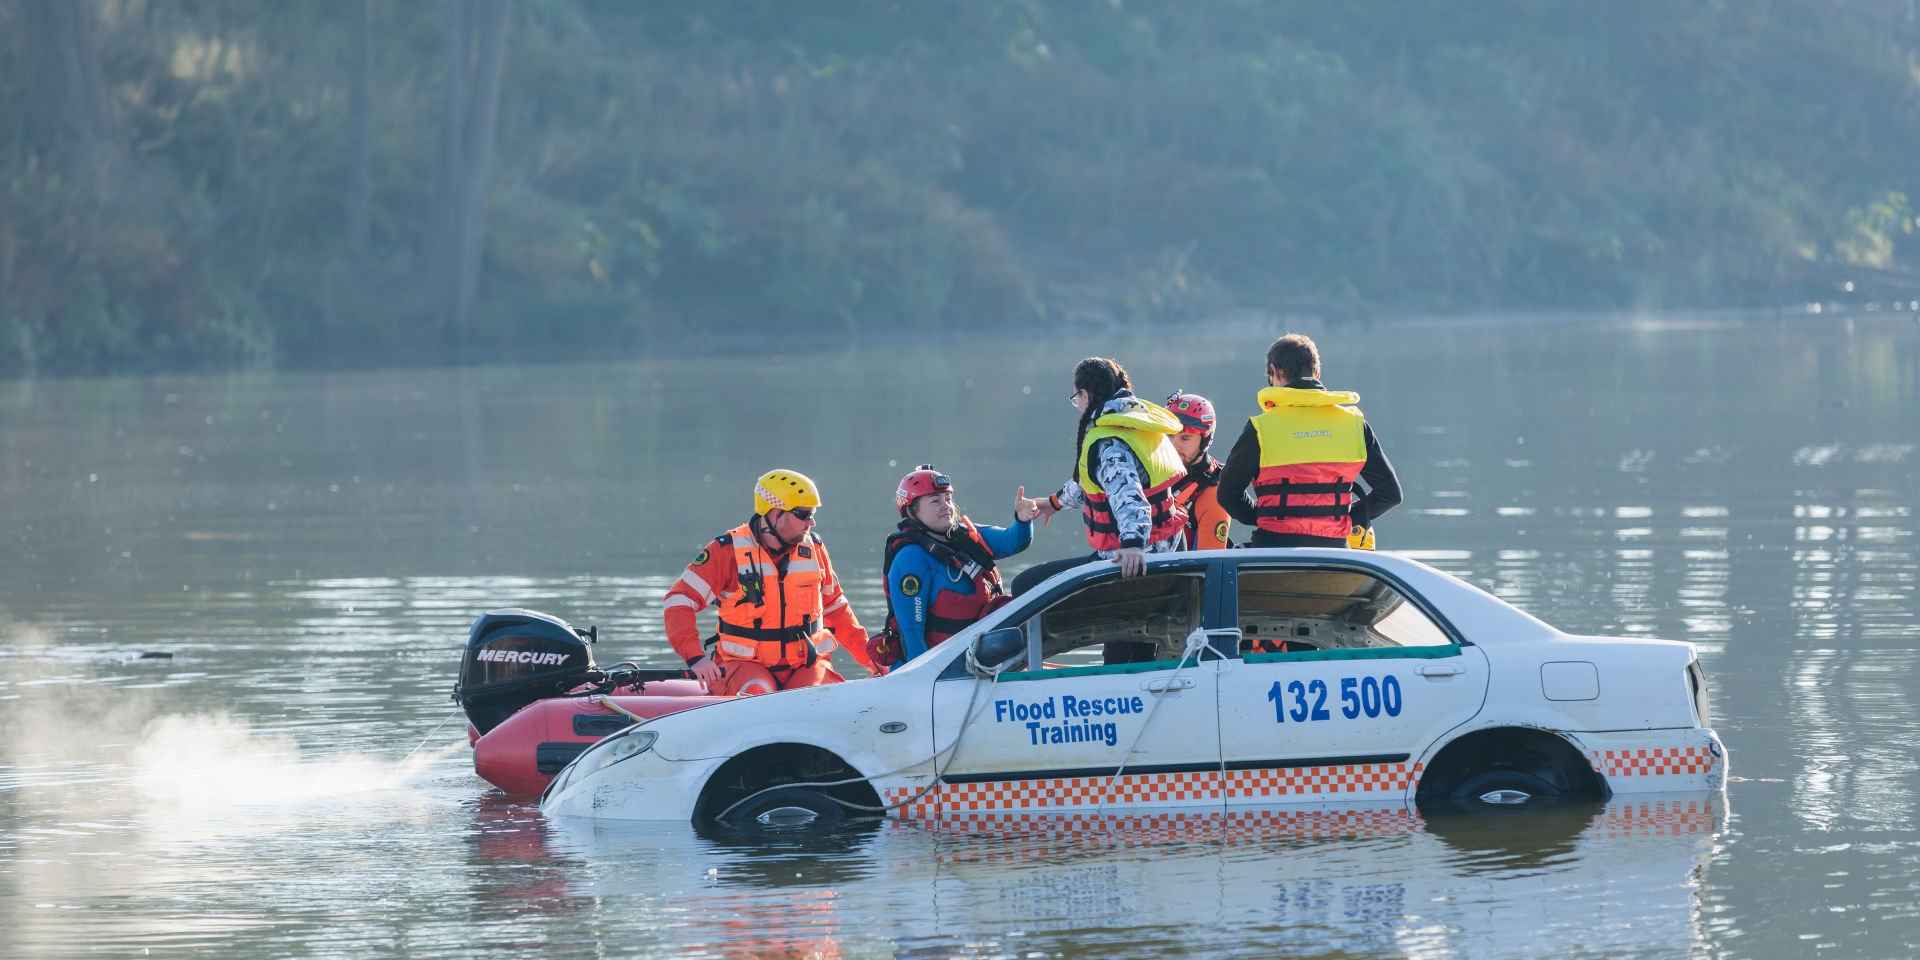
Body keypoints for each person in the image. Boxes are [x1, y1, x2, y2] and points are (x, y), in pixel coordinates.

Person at [662, 468, 880, 696]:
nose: (811, 522)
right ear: (775, 513)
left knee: (820, 695)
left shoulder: (814, 548)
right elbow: (678, 601)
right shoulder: (726, 550)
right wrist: (696, 658)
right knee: (756, 692)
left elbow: (836, 608)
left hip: (805, 664)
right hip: (745, 666)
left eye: (812, 514)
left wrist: (872, 660)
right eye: (803, 514)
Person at [1018, 357, 1190, 596]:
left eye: (1076, 398)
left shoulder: (1110, 443)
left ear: (1085, 395)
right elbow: (1097, 482)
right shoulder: (1138, 421)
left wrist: (1132, 546)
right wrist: (1053, 503)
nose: (1077, 404)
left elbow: (1129, 496)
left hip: (1135, 559)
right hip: (1171, 544)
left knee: (1025, 584)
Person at [1218, 333, 1401, 547]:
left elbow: (1227, 494)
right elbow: (1390, 495)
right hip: (1334, 550)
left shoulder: (1260, 428)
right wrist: (1346, 518)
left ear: (1273, 372)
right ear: (1317, 372)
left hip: (1272, 546)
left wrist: (1263, 516)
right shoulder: (1355, 425)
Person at [868, 466, 1043, 669]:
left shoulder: (968, 536)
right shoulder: (910, 559)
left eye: (948, 499)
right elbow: (911, 634)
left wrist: (1022, 519)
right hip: (936, 674)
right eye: (935, 501)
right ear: (911, 511)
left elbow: (1012, 541)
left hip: (980, 664)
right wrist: (925, 681)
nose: (946, 506)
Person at [1165, 390, 1232, 550]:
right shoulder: (1154, 473)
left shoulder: (1214, 495)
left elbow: (1210, 564)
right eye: (1170, 435)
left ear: (1205, 441)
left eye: (1185, 438)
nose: (1174, 445)